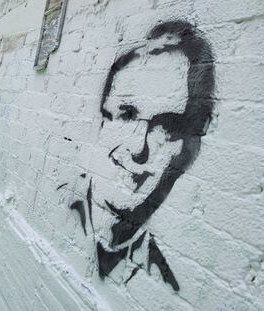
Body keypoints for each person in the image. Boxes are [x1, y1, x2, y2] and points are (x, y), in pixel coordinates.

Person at [59, 21, 215, 290]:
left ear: (190, 145)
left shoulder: (164, 282)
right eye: (127, 115)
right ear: (103, 117)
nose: (137, 149)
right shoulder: (66, 207)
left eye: (167, 125)